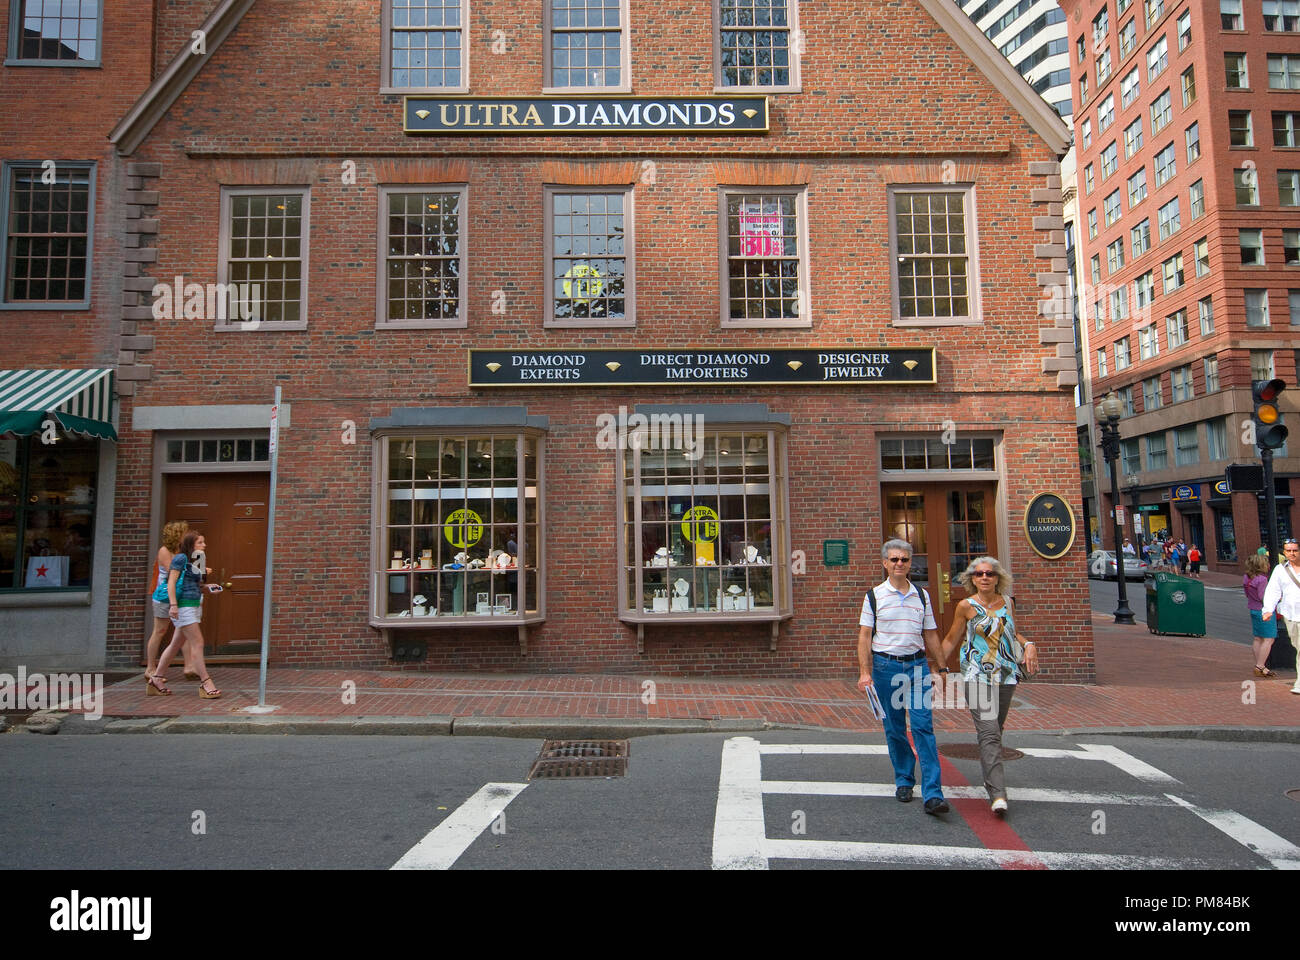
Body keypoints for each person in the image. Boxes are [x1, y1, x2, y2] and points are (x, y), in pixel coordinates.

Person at [857, 539, 949, 815]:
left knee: (923, 728)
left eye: (904, 559)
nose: (899, 564)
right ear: (885, 563)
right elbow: (864, 636)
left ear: (910, 563)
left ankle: (933, 793)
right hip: (886, 668)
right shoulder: (873, 596)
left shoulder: (922, 596)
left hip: (917, 667)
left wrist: (942, 668)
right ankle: (904, 780)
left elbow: (931, 633)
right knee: (895, 729)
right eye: (894, 559)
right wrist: (865, 672)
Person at [941, 556, 1038, 817]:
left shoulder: (1007, 603)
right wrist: (937, 667)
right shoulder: (965, 606)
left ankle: (991, 776)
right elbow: (952, 638)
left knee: (996, 729)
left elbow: (1013, 633)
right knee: (989, 732)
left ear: (998, 578)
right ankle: (998, 793)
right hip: (976, 676)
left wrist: (1028, 644)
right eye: (979, 574)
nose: (984, 578)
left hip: (1006, 676)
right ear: (972, 579)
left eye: (990, 574)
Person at [147, 531, 222, 699]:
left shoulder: (199, 559)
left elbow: (196, 585)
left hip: (194, 605)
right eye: (200, 542)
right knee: (198, 643)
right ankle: (206, 683)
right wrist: (173, 605)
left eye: (204, 542)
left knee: (175, 644)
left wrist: (209, 587)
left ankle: (156, 680)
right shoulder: (180, 559)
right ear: (191, 545)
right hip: (184, 607)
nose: (204, 545)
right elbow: (171, 582)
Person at [144, 521, 199, 682]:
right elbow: (173, 572)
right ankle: (150, 668)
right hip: (165, 596)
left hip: (180, 595)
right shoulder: (165, 551)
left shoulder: (184, 551)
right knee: (160, 631)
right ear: (177, 534)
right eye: (185, 532)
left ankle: (189, 666)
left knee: (184, 630)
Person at [1261, 538, 1300, 695]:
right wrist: (1268, 609)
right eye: (1288, 550)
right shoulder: (1280, 570)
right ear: (1284, 552)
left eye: (1295, 550)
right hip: (1291, 615)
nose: (1292, 553)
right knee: (1298, 647)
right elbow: (1273, 590)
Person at [1243, 554, 1278, 677]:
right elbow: (1263, 597)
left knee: (1258, 638)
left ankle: (1259, 664)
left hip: (1253, 608)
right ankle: (1260, 665)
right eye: (1266, 563)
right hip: (1264, 610)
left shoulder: (1247, 577)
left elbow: (1247, 593)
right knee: (1269, 638)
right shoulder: (1262, 579)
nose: (1268, 565)